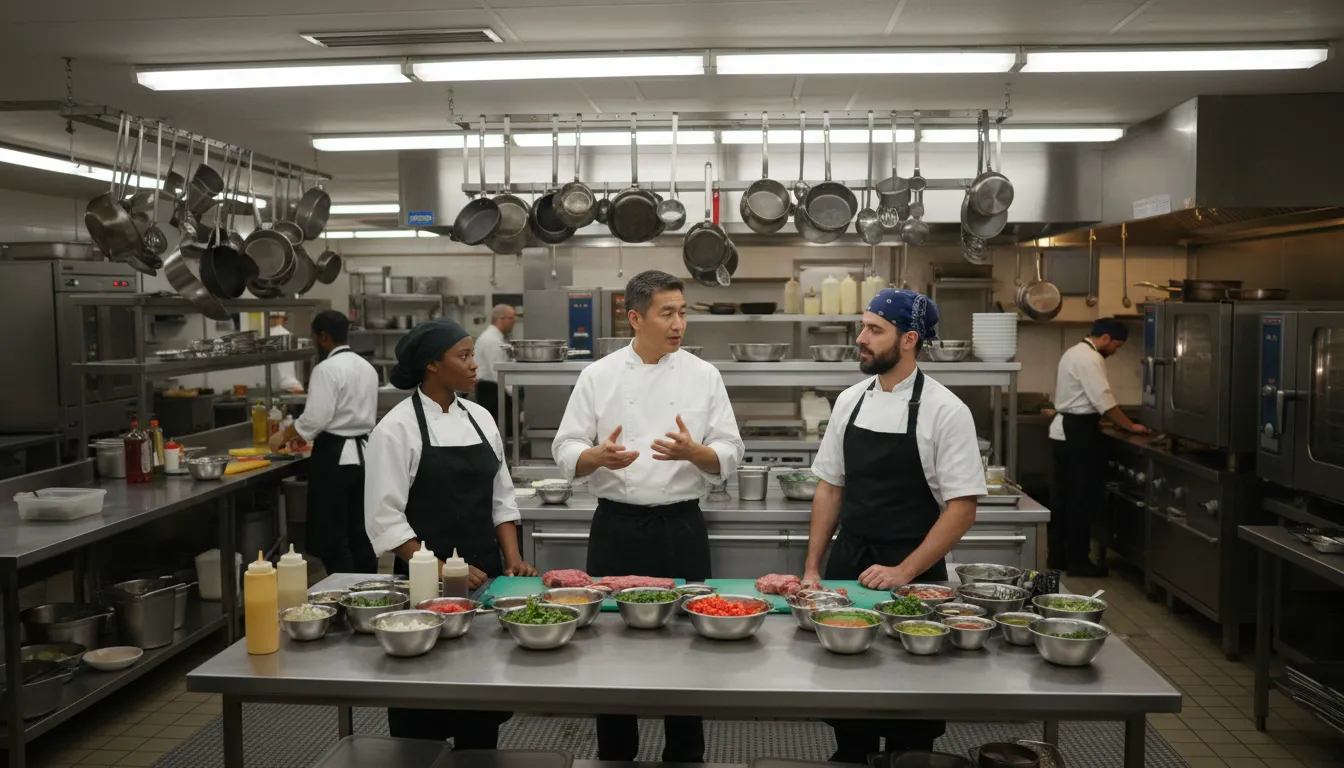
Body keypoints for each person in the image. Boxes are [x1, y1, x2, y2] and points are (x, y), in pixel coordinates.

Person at [552, 270, 744, 763]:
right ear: (634, 318)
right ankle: (616, 754)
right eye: (667, 313)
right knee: (610, 648)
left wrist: (696, 452)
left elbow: (730, 450)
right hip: (616, 526)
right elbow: (567, 446)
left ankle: (685, 754)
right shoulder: (598, 375)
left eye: (682, 312)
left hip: (681, 525)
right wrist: (597, 457)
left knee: (689, 644)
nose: (679, 323)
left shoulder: (704, 376)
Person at [803, 289, 987, 762]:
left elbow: (962, 508)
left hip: (916, 578)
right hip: (850, 566)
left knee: (911, 713)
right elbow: (830, 488)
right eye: (862, 327)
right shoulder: (849, 401)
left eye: (874, 330)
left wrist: (903, 572)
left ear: (909, 340)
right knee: (849, 703)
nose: (860, 339)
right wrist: (811, 569)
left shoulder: (947, 410)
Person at [364, 317, 537, 748]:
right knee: (422, 707)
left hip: (486, 581)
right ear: (431, 366)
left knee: (480, 708)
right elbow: (385, 520)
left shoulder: (480, 418)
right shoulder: (396, 428)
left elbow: (502, 497)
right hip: (425, 585)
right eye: (463, 356)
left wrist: (512, 559)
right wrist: (441, 568)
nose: (475, 365)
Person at [269, 310, 380, 575]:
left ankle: (343, 593)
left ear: (323, 337)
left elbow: (316, 418)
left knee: (332, 535)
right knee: (361, 531)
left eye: (313, 336)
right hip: (365, 456)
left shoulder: (326, 369)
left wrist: (284, 435)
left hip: (335, 456)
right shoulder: (366, 367)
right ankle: (370, 591)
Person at [1049, 317, 1147, 576]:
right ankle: (1079, 562)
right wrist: (1130, 426)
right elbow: (1103, 400)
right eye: (1117, 345)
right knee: (1081, 498)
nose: (1116, 350)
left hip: (1064, 431)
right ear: (1105, 338)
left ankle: (1057, 556)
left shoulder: (1074, 352)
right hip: (1077, 431)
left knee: (1063, 498)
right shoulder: (1092, 359)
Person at [474, 304, 517, 436]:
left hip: (493, 387)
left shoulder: (495, 338)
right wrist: (513, 393)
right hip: (491, 390)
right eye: (512, 318)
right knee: (498, 429)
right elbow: (497, 371)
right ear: (501, 319)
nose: (514, 322)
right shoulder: (491, 340)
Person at [268, 313, 305, 393]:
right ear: (281, 318)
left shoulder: (259, 334)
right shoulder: (284, 336)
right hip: (276, 391)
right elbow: (286, 376)